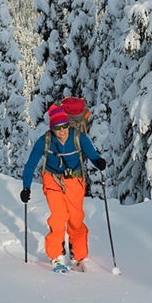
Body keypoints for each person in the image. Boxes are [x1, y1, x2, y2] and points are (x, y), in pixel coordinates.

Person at [20, 101, 106, 272]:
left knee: (75, 218)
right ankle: (56, 255)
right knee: (59, 217)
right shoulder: (45, 141)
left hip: (74, 180)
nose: (62, 130)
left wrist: (99, 162)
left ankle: (79, 256)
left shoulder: (78, 137)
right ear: (52, 128)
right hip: (52, 179)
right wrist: (26, 188)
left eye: (65, 125)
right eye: (57, 127)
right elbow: (30, 165)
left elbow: (93, 155)